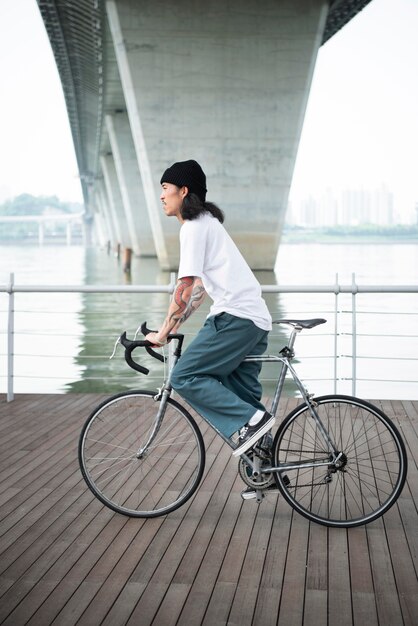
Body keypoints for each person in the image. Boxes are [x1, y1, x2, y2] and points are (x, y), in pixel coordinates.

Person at [146, 159, 274, 457]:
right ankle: (264, 469)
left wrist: (162, 332)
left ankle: (253, 423)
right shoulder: (208, 223)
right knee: (243, 399)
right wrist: (174, 327)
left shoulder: (193, 227)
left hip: (235, 318)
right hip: (255, 321)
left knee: (184, 376)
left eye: (165, 188)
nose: (162, 196)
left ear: (183, 190)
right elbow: (200, 291)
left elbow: (186, 285)